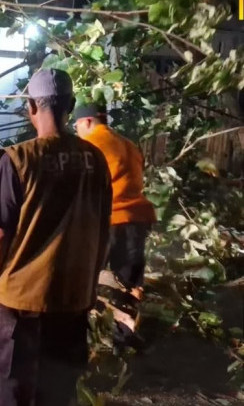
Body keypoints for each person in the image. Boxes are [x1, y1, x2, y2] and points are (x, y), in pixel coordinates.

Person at [0, 69, 112, 406]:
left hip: (21, 307)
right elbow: (104, 231)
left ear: (31, 108)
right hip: (71, 303)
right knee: (57, 396)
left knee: (10, 393)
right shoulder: (95, 160)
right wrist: (90, 286)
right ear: (71, 105)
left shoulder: (18, 159)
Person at [74, 103, 156, 348]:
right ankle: (123, 341)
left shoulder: (91, 145)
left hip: (109, 221)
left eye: (76, 125)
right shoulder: (129, 145)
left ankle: (84, 339)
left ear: (87, 122)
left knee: (84, 279)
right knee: (127, 285)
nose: (77, 130)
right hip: (137, 218)